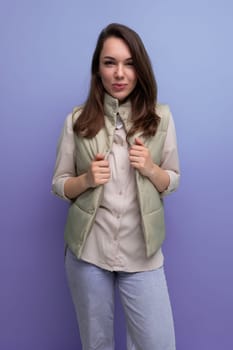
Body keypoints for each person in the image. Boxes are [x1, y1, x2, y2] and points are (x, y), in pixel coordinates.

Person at [52, 23, 180, 350]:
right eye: (110, 63)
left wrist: (151, 168)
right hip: (88, 251)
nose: (119, 73)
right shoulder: (76, 120)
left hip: (142, 252)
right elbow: (59, 183)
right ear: (98, 69)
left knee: (158, 344)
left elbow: (172, 180)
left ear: (140, 69)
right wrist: (87, 180)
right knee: (96, 345)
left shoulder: (160, 118)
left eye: (129, 63)